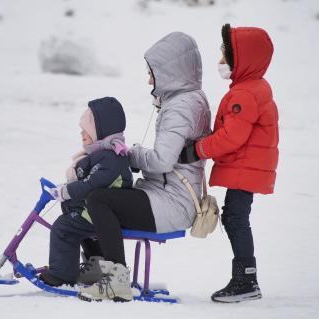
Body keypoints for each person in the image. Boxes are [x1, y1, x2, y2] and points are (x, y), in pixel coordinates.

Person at [78, 32, 211, 302]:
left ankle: (115, 281)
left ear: (170, 71)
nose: (150, 80)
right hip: (170, 196)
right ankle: (97, 273)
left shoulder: (180, 107)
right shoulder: (187, 100)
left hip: (172, 203)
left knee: (98, 199)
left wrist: (132, 155)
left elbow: (162, 160)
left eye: (153, 73)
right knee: (96, 196)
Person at [179, 24, 279, 303]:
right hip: (248, 166)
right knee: (235, 217)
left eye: (226, 56)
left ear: (242, 59)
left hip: (246, 167)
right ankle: (246, 277)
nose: (221, 63)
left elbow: (231, 137)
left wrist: (196, 150)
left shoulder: (245, 94)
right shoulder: (251, 88)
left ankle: (246, 280)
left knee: (236, 218)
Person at [39, 96, 133, 287]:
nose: (82, 134)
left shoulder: (111, 158)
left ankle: (62, 275)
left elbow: (91, 184)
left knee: (64, 228)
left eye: (87, 130)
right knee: (72, 223)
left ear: (100, 131)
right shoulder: (102, 155)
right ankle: (95, 266)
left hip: (103, 215)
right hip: (94, 212)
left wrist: (65, 192)